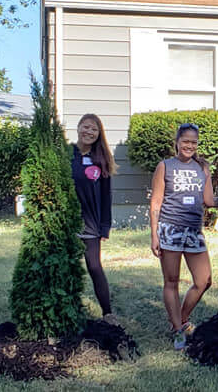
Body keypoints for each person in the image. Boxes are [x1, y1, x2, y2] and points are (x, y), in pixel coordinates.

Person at [149, 123, 218, 350]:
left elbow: (210, 201)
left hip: (194, 231)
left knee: (204, 280)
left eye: (193, 142)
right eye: (185, 141)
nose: (189, 146)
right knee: (171, 281)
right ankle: (177, 330)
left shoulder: (202, 168)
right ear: (177, 142)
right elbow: (155, 202)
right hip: (170, 228)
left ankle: (180, 320)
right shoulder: (165, 166)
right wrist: (154, 235)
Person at [72, 114, 118, 324]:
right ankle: (70, 308)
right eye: (86, 127)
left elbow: (106, 197)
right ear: (79, 127)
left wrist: (104, 227)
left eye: (94, 129)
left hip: (91, 223)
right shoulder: (66, 154)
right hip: (68, 222)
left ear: (99, 134)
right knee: (68, 267)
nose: (89, 132)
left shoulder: (101, 160)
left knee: (94, 266)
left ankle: (107, 313)